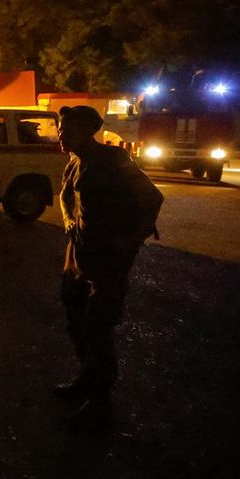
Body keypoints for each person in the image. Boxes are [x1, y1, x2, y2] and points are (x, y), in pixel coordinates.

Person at [55, 105, 159, 430]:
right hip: (80, 253)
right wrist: (70, 223)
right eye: (61, 129)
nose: (61, 135)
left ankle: (100, 406)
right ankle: (86, 379)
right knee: (75, 316)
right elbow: (65, 196)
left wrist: (133, 239)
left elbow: (152, 197)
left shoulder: (113, 160)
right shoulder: (74, 162)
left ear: (90, 131)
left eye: (69, 130)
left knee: (98, 325)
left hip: (109, 258)